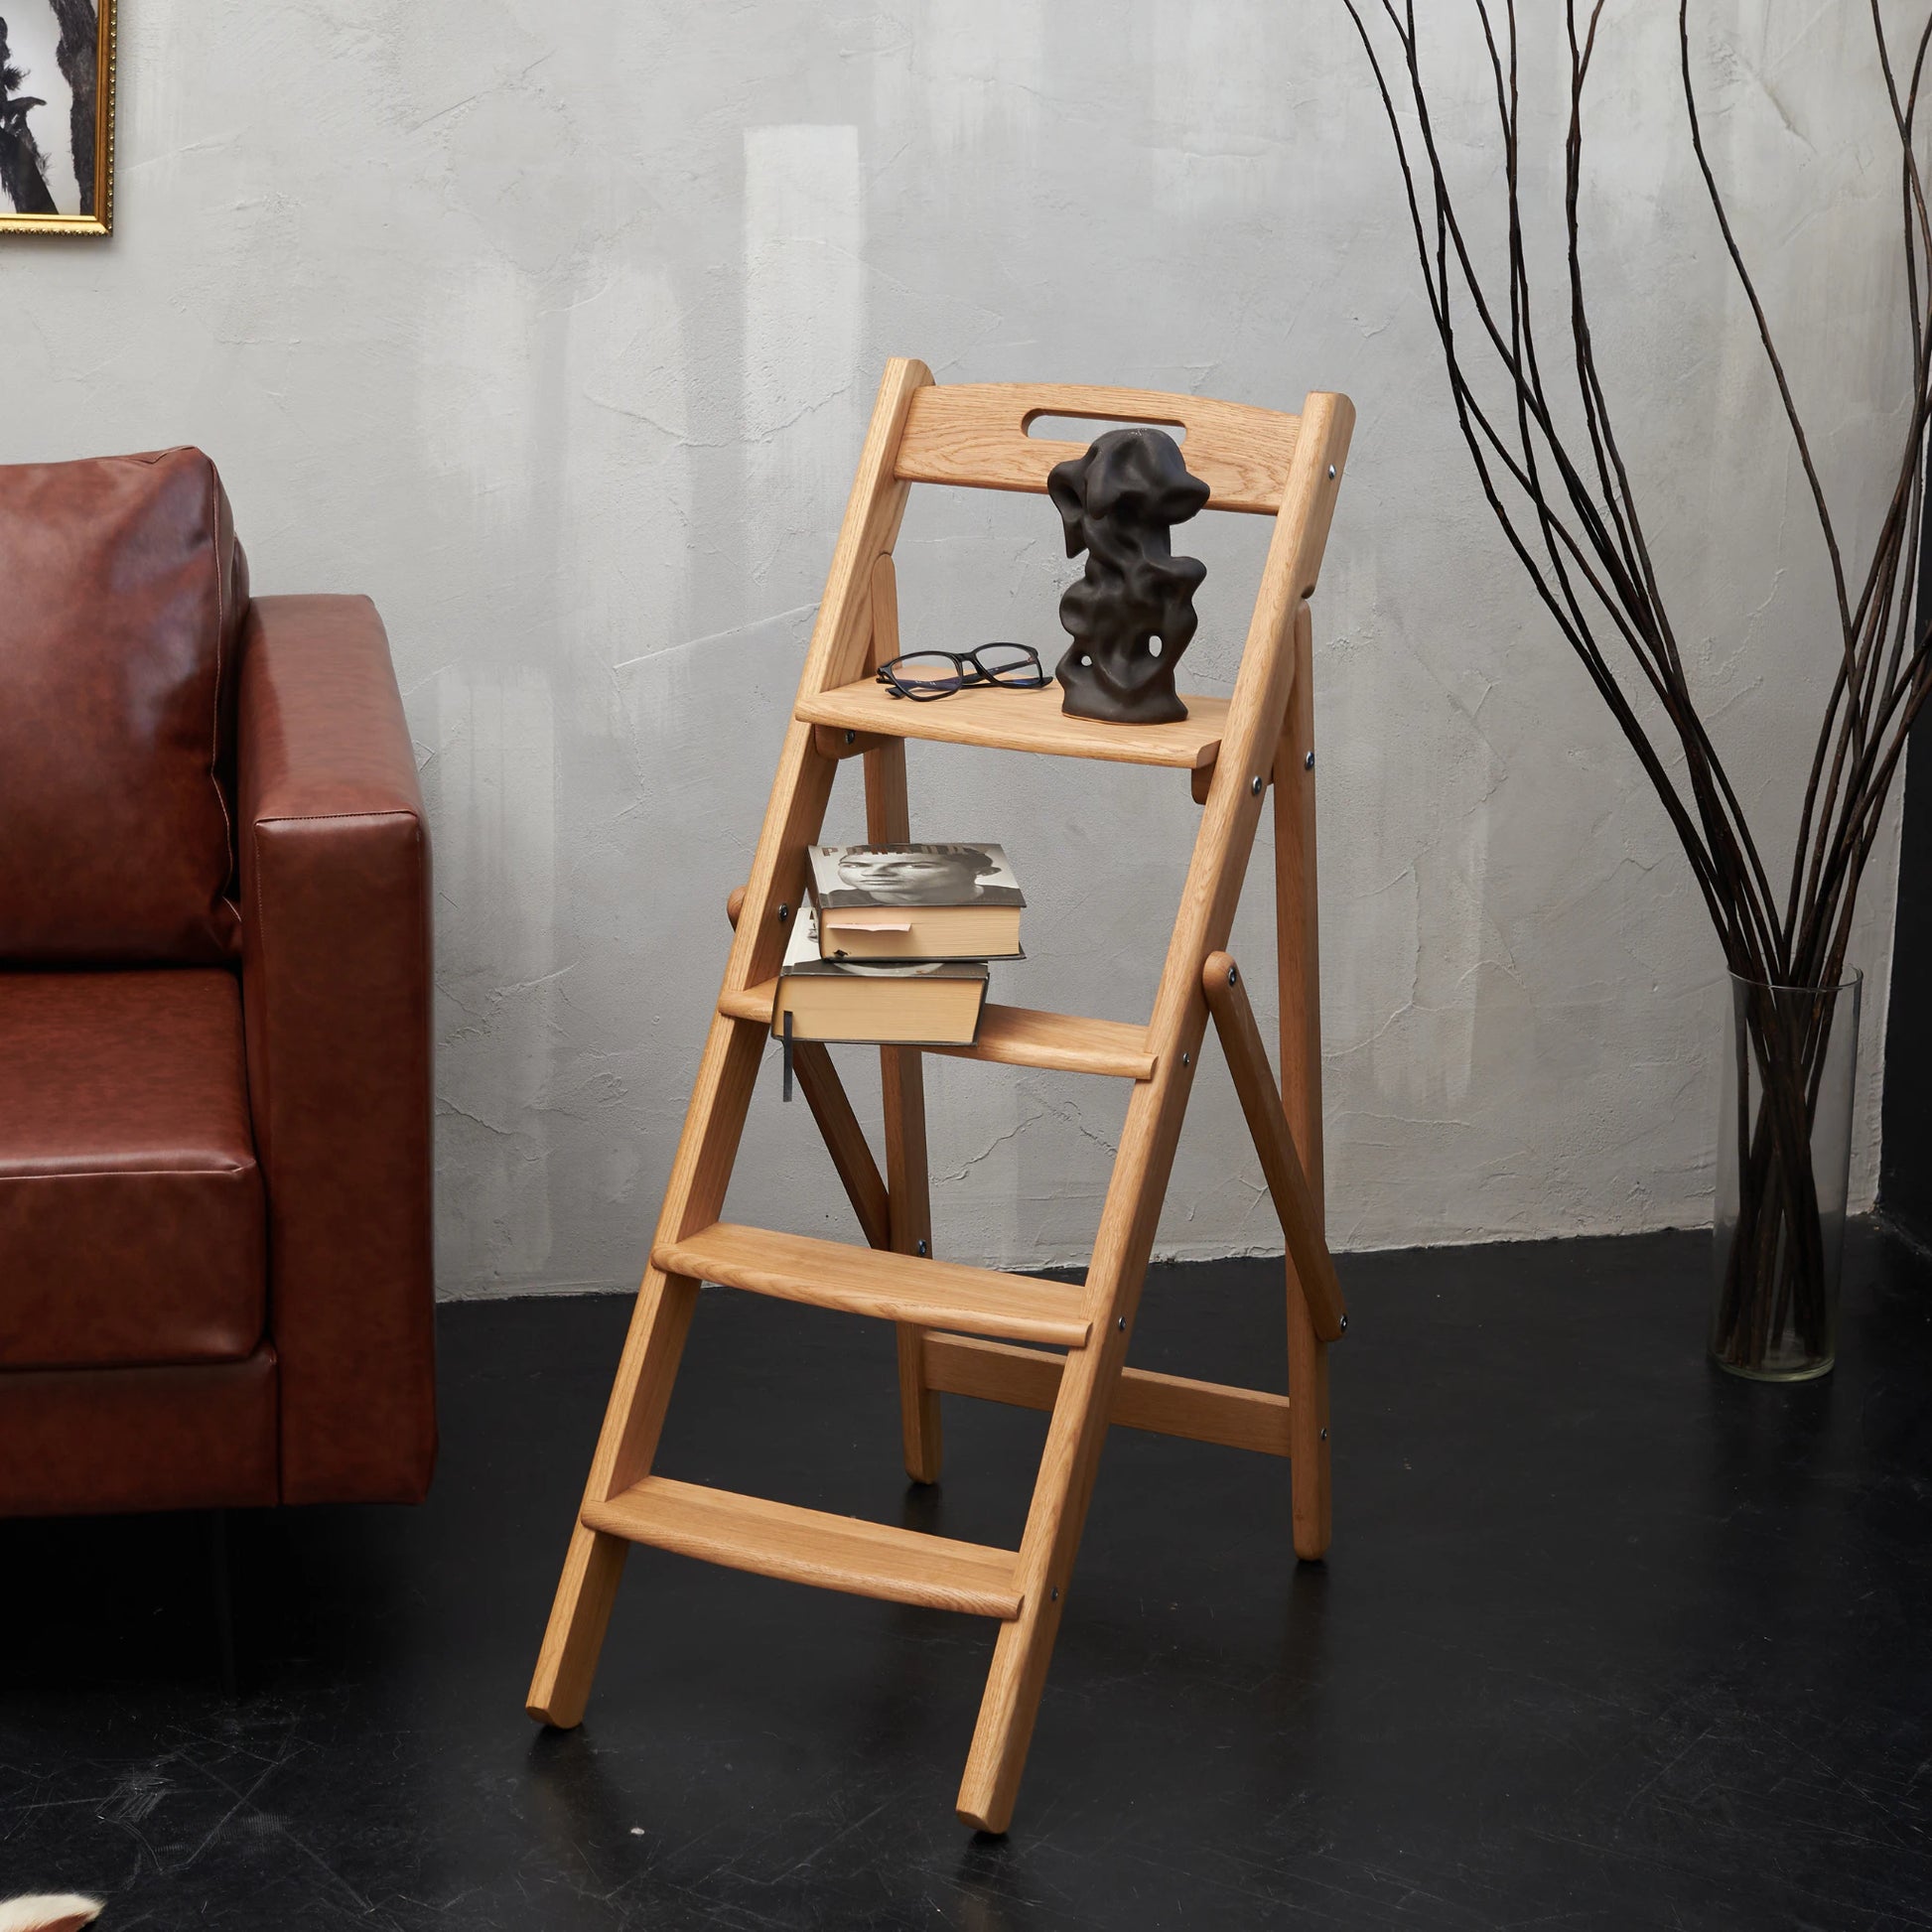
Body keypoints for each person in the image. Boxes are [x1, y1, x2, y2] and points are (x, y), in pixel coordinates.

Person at [833, 844, 1002, 906]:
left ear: (981, 872)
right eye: (854, 865)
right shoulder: (836, 903)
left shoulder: (1002, 901)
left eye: (916, 865)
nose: (872, 873)